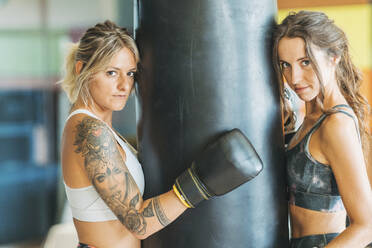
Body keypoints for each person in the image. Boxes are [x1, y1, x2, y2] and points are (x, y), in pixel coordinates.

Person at [59, 20, 263, 248]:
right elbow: (139, 223)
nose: (124, 85)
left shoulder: (98, 128)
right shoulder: (90, 131)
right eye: (111, 73)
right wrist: (201, 182)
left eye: (130, 73)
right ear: (81, 69)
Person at [273, 11, 372, 247]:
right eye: (285, 65)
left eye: (305, 62)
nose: (294, 77)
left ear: (333, 57)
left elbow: (367, 226)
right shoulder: (311, 118)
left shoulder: (336, 124)